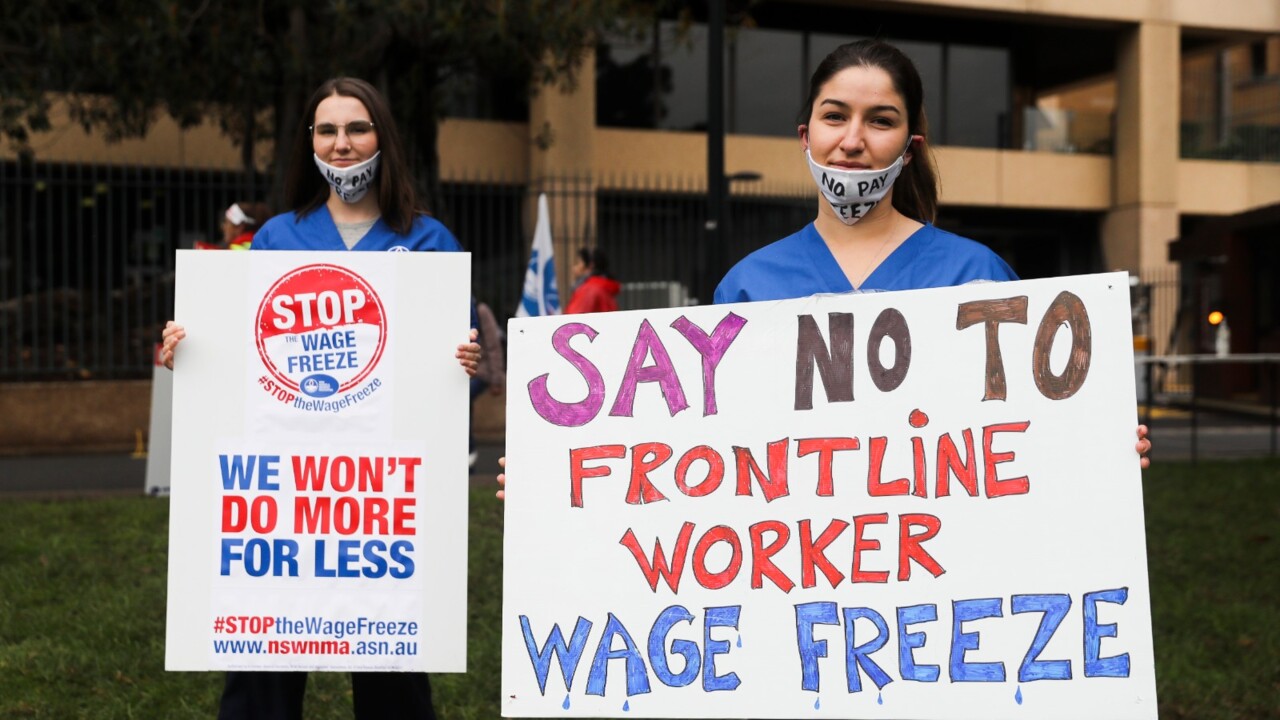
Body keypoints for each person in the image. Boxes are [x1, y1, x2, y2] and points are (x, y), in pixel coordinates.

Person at [496, 39, 1149, 500]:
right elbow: (693, 458)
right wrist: (556, 482)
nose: (854, 139)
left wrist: (1099, 453)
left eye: (881, 121)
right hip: (797, 589)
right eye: (835, 116)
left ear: (909, 146)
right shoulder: (747, 286)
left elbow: (1027, 447)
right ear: (805, 134)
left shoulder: (976, 278)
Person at [160, 76, 481, 720]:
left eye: (357, 128)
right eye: (327, 130)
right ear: (310, 141)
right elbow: (246, 354)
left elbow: (448, 369)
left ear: (381, 138)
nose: (342, 144)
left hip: (384, 494)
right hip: (285, 491)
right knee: (262, 672)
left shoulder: (431, 241)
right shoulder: (277, 238)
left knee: (392, 669)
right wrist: (187, 351)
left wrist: (468, 362)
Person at [470, 299, 506, 467]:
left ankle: (469, 451)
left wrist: (496, 378)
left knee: (463, 400)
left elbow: (493, 345)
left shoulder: (480, 310)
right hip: (465, 371)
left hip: (482, 371)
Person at [564, 248, 620, 314]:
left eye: (578, 262)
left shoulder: (588, 290)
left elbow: (574, 320)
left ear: (590, 265)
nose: (574, 268)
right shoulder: (602, 286)